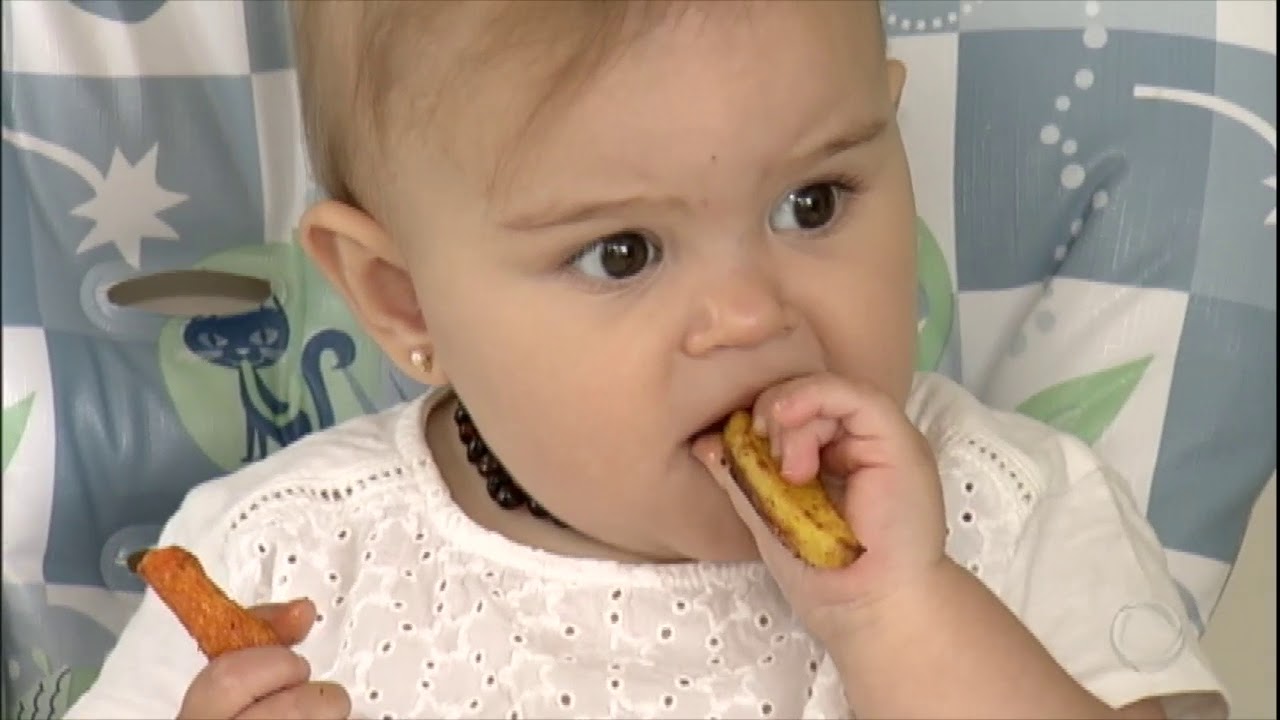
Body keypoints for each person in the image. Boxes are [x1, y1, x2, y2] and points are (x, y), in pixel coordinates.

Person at [67, 2, 1227, 718]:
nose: (746, 314)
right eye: (620, 252)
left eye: (811, 200)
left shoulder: (1010, 509)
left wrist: (900, 617)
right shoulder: (278, 559)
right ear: (400, 294)